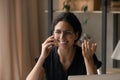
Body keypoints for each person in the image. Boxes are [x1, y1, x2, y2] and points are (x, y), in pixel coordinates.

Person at [26, 12, 102, 80]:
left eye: (68, 32)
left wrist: (88, 59)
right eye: (58, 32)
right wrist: (42, 57)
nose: (62, 37)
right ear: (53, 34)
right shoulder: (47, 55)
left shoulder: (86, 55)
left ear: (76, 35)